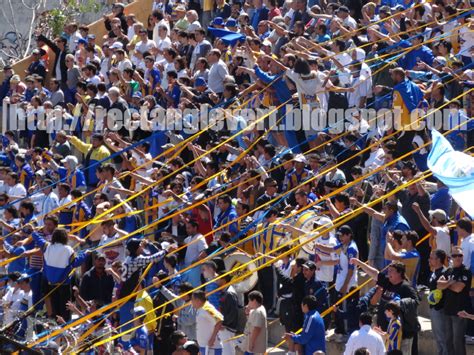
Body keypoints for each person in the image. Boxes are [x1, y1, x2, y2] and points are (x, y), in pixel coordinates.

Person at [437, 246, 472, 355]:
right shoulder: (449, 270)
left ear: (462, 257)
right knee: (448, 340)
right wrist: (450, 283)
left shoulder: (465, 271)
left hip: (461, 312)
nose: (457, 257)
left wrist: (446, 284)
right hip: (448, 310)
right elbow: (439, 285)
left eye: (460, 255)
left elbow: (458, 288)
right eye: (455, 255)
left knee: (458, 341)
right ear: (451, 257)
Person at [191, 290, 223, 355]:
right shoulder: (200, 309)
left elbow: (219, 320)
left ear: (198, 300)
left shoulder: (207, 308)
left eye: (192, 299)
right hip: (204, 346)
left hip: (212, 347)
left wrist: (212, 338)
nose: (191, 302)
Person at [243, 290, 267, 355]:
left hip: (254, 347)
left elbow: (256, 328)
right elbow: (251, 322)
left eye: (249, 301)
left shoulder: (258, 312)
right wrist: (248, 314)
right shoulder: (259, 309)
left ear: (254, 301)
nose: (248, 303)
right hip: (254, 346)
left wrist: (251, 343)